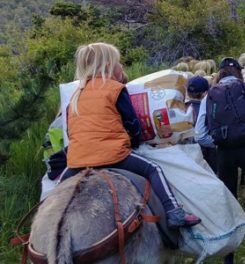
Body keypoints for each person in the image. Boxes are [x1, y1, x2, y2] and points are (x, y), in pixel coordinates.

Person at [59, 42, 201, 229]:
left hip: (78, 161)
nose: (121, 67)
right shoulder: (114, 88)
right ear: (109, 66)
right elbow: (132, 124)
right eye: (119, 63)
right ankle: (174, 212)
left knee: (58, 191)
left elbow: (71, 132)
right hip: (112, 155)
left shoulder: (75, 96)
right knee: (153, 170)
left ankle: (42, 226)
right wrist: (134, 142)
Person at [195, 57, 245, 264]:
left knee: (229, 203)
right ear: (238, 72)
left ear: (219, 73)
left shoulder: (209, 95)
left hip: (225, 154)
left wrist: (218, 143)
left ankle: (229, 258)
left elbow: (199, 134)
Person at [185, 75, 217, 173]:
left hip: (190, 151)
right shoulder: (210, 107)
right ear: (205, 93)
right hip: (210, 149)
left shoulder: (183, 108)